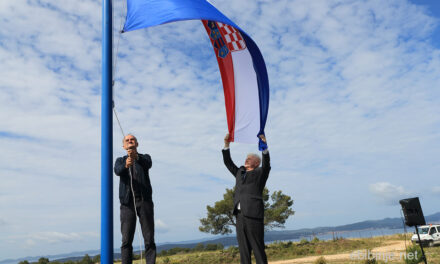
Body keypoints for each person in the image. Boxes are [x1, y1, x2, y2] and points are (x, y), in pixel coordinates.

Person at [222, 133, 271, 264]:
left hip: (253, 215)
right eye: (246, 158)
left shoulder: (260, 173)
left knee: (258, 249)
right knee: (244, 251)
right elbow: (228, 162)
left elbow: (266, 165)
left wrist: (264, 147)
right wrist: (226, 144)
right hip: (239, 216)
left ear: (256, 162)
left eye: (250, 158)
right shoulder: (239, 173)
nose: (247, 159)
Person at [114, 134, 156, 264]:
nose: (130, 141)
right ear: (124, 145)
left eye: (132, 139)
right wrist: (126, 165)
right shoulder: (120, 160)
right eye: (127, 140)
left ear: (137, 144)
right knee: (126, 240)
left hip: (144, 201)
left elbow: (148, 164)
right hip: (127, 203)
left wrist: (135, 157)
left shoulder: (145, 157)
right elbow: (117, 170)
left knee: (149, 238)